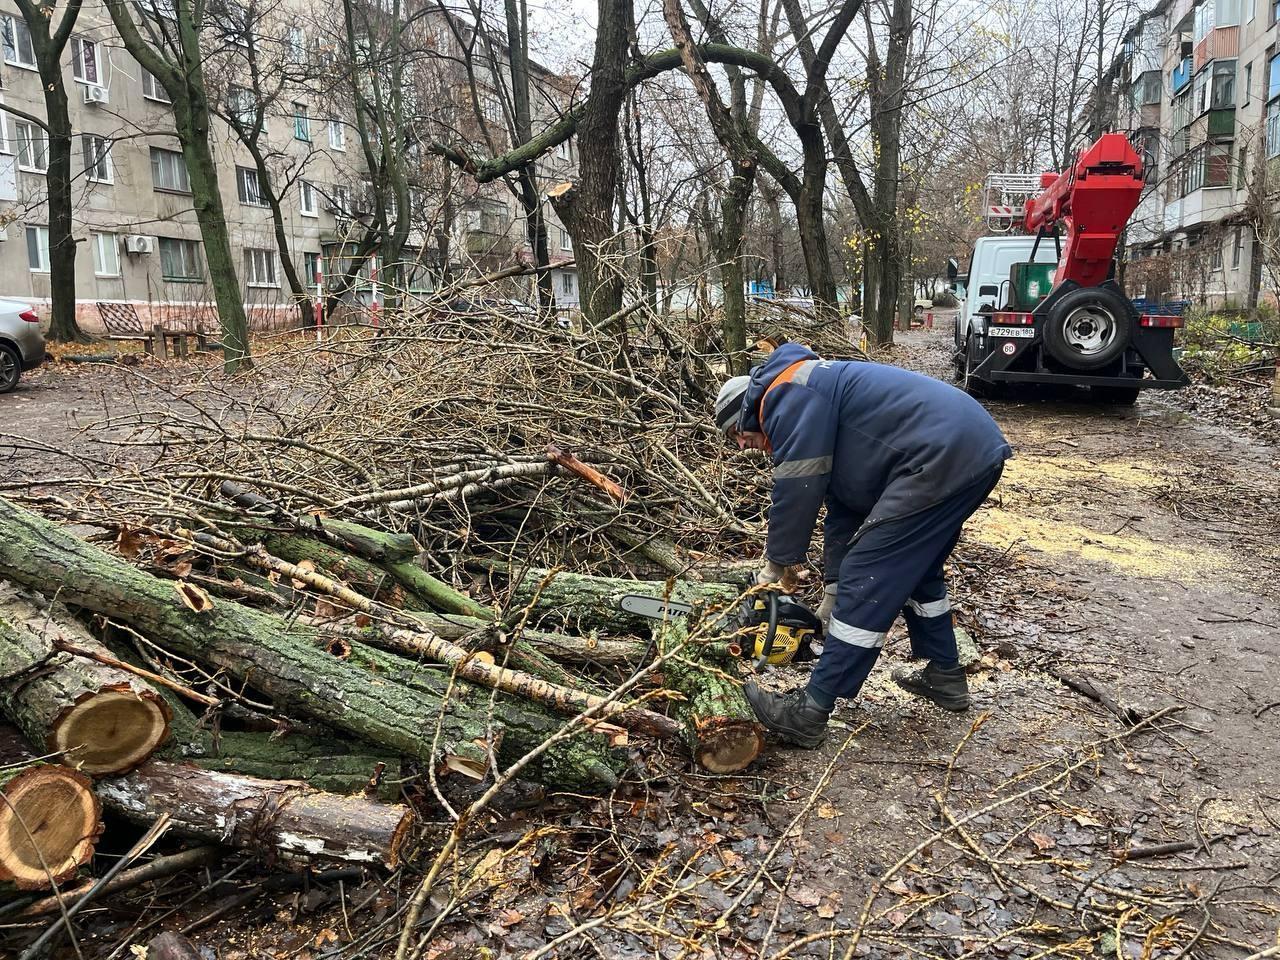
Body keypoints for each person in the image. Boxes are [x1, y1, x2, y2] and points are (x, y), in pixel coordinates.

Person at [713, 341, 1011, 747]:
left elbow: (798, 485)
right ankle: (945, 675)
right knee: (914, 569)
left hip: (941, 453)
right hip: (966, 447)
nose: (742, 446)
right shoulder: (808, 393)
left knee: (869, 574)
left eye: (736, 435)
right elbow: (844, 506)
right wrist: (833, 585)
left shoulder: (783, 394)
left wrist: (777, 564)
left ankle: (811, 709)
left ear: (743, 413)